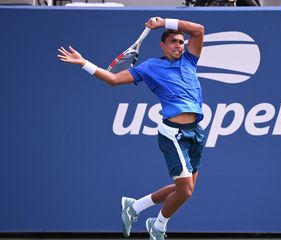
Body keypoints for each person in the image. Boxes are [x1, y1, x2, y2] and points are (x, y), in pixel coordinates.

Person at [57, 17, 205, 240]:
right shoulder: (150, 67)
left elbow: (199, 30)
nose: (178, 45)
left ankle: (134, 207)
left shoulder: (190, 60)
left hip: (196, 131)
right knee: (185, 190)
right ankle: (158, 226)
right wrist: (84, 63)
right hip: (173, 133)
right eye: (173, 41)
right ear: (163, 45)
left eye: (181, 42)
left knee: (186, 188)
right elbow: (114, 79)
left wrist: (164, 22)